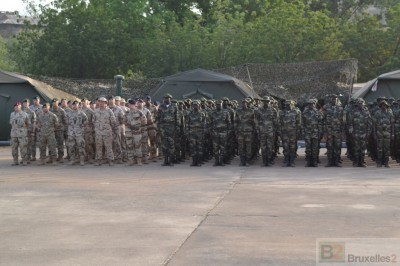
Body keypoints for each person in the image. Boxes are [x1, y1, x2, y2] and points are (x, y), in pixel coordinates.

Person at [93, 97, 116, 166]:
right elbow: (93, 121)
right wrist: (97, 128)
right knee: (98, 147)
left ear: (106, 103)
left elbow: (113, 122)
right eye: (100, 102)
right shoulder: (96, 111)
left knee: (108, 147)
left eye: (102, 102)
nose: (101, 103)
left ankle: (110, 160)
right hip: (98, 132)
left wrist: (108, 129)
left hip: (107, 132)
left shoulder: (109, 111)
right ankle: (98, 160)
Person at [255, 96, 278, 166]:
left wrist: (275, 131)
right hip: (262, 132)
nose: (266, 103)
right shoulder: (259, 110)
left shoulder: (273, 110)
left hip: (270, 131)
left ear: (269, 102)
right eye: (264, 101)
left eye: (267, 101)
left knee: (270, 147)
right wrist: (258, 130)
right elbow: (256, 121)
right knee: (263, 147)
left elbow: (276, 122)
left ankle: (269, 161)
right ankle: (264, 161)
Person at [279, 100, 301, 167]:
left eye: (290, 104)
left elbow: (298, 123)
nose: (289, 106)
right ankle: (286, 161)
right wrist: (280, 132)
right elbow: (280, 123)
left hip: (293, 132)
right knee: (285, 147)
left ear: (293, 104)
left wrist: (298, 132)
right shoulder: (282, 113)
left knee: (292, 147)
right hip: (285, 132)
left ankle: (292, 161)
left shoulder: (296, 112)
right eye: (287, 105)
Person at [157, 93, 177, 166]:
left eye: (168, 98)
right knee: (164, 145)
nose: (166, 99)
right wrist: (158, 127)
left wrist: (176, 127)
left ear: (170, 99)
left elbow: (176, 118)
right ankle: (165, 160)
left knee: (171, 145)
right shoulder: (161, 107)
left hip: (171, 127)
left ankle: (171, 160)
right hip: (163, 127)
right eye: (165, 98)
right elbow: (158, 118)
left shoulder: (174, 107)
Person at [372, 100, 394, 167]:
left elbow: (392, 124)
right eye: (382, 105)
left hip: (387, 133)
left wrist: (393, 134)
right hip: (379, 133)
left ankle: (386, 162)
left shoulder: (390, 113)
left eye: (384, 105)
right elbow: (374, 124)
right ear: (380, 106)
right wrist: (374, 133)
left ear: (387, 106)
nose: (383, 106)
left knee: (387, 149)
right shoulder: (377, 113)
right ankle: (379, 162)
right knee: (379, 149)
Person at [125, 99, 147, 166]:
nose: (128, 105)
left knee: (138, 146)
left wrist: (138, 127)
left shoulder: (139, 112)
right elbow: (123, 120)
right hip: (128, 132)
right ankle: (131, 160)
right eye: (128, 104)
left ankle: (139, 160)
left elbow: (144, 121)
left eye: (129, 104)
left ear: (133, 105)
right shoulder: (127, 113)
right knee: (129, 146)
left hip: (137, 132)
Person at [209, 99, 231, 166]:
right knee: (215, 148)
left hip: (223, 133)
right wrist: (210, 132)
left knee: (223, 148)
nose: (218, 106)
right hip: (215, 133)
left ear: (222, 105)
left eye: (220, 104)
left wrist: (228, 132)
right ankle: (216, 161)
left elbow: (229, 123)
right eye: (217, 104)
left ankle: (221, 161)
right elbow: (209, 123)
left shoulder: (226, 113)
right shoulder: (212, 113)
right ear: (216, 105)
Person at [66, 100, 88, 165]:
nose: (74, 106)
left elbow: (86, 120)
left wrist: (82, 125)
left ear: (78, 105)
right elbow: (66, 121)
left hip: (79, 132)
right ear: (72, 106)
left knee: (81, 146)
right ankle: (72, 160)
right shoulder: (69, 113)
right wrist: (68, 124)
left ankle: (82, 160)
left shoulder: (81, 113)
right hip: (71, 133)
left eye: (76, 104)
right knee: (71, 147)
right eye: (73, 105)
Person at [235, 98, 256, 166]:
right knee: (241, 147)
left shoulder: (251, 111)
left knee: (248, 147)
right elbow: (236, 121)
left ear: (247, 104)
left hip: (248, 132)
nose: (244, 104)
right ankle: (242, 161)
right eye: (243, 103)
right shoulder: (238, 111)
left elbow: (254, 122)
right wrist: (236, 130)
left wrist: (254, 131)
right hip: (240, 132)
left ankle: (248, 161)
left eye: (245, 103)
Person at [302, 99, 322, 167]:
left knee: (315, 148)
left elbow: (320, 123)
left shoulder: (318, 112)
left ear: (315, 104)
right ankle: (308, 162)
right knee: (308, 148)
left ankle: (314, 162)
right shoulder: (305, 112)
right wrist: (303, 131)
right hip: (307, 132)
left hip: (315, 132)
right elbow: (303, 123)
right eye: (309, 104)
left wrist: (320, 132)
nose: (311, 105)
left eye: (312, 104)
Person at [187, 100, 206, 166]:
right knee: (193, 148)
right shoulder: (190, 114)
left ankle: (198, 161)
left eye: (196, 105)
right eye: (194, 105)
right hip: (192, 133)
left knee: (199, 148)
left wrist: (204, 132)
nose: (195, 106)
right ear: (192, 106)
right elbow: (187, 123)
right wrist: (187, 132)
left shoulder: (202, 113)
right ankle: (194, 161)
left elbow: (204, 124)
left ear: (199, 105)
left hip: (200, 133)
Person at [51, 98, 67, 162]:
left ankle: (60, 157)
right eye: (53, 103)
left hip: (60, 130)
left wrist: (63, 128)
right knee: (51, 144)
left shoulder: (62, 111)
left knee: (60, 143)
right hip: (52, 130)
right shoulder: (50, 110)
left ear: (58, 103)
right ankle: (52, 157)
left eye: (56, 102)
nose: (54, 104)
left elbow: (65, 121)